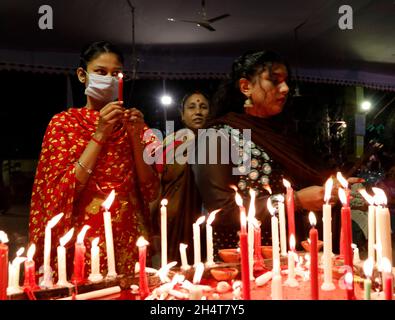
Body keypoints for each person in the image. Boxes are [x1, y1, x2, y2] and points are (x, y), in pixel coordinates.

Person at [29, 41, 160, 278]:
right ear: (82, 75)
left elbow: (150, 191)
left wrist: (135, 138)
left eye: (116, 74)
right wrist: (100, 134)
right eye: (100, 72)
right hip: (80, 239)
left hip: (128, 238)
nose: (109, 79)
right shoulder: (64, 124)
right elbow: (60, 193)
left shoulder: (135, 126)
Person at [192, 50, 343, 255]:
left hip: (290, 252)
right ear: (246, 86)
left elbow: (301, 176)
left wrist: (332, 187)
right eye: (274, 81)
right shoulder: (215, 136)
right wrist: (295, 201)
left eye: (286, 81)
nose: (286, 88)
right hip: (241, 258)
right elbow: (222, 210)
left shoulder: (283, 132)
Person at [151, 91, 210, 264]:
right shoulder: (170, 145)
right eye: (191, 107)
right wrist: (149, 228)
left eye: (203, 107)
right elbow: (156, 187)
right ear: (182, 115)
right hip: (171, 224)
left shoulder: (219, 144)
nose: (198, 112)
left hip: (207, 224)